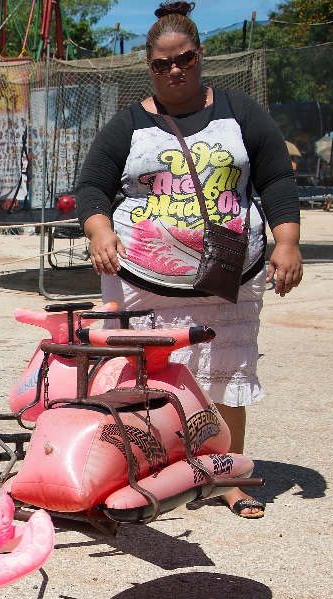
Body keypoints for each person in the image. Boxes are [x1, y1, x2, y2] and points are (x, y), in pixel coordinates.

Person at [75, 0, 303, 519]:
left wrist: (287, 242)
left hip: (226, 277)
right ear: (149, 68)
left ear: (201, 58)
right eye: (162, 64)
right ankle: (153, 472)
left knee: (225, 374)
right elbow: (92, 185)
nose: (175, 70)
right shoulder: (128, 123)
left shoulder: (241, 111)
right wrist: (100, 229)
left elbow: (276, 179)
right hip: (141, 279)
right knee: (145, 378)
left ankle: (227, 478)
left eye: (185, 59)